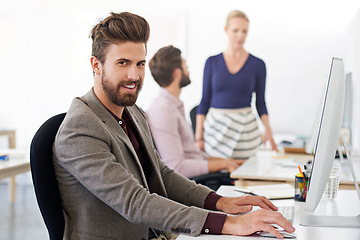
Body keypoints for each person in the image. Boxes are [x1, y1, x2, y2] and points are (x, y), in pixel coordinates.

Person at [52, 12, 295, 240]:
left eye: (140, 64)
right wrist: (229, 223)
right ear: (96, 65)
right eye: (123, 63)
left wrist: (219, 202)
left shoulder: (133, 113)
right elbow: (135, 202)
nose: (134, 76)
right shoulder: (80, 129)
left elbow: (162, 174)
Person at [146, 45, 244, 179]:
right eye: (185, 66)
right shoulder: (163, 111)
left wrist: (229, 162)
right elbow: (176, 167)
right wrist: (223, 164)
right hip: (193, 184)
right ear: (177, 73)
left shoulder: (172, 105)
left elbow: (193, 154)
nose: (188, 69)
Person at [195, 10, 278, 159]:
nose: (240, 35)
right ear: (226, 30)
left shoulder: (258, 64)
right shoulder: (211, 62)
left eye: (244, 31)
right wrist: (198, 138)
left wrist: (269, 131)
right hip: (216, 132)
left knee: (244, 175)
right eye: (235, 30)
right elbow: (204, 100)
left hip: (245, 132)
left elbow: (260, 103)